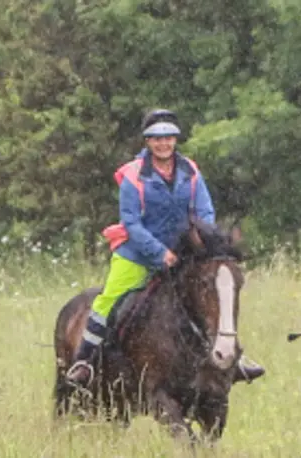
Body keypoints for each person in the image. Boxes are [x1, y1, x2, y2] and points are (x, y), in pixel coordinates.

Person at [65, 110, 266, 385]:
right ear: (148, 141)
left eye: (168, 137)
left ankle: (233, 358)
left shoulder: (190, 171)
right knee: (108, 300)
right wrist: (159, 253)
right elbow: (132, 223)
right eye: (157, 138)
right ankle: (85, 361)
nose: (163, 143)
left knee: (215, 297)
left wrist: (203, 240)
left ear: (175, 139)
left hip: (183, 253)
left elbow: (205, 211)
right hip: (137, 254)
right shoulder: (133, 175)